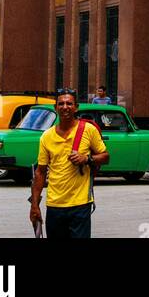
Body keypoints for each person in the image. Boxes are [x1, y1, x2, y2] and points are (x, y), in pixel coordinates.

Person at [29, 88, 109, 239]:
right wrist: (34, 205)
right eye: (61, 104)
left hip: (80, 205)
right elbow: (40, 172)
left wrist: (87, 159)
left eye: (69, 103)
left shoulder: (88, 130)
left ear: (76, 107)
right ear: (55, 108)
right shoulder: (46, 136)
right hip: (54, 205)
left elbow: (105, 156)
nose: (65, 107)